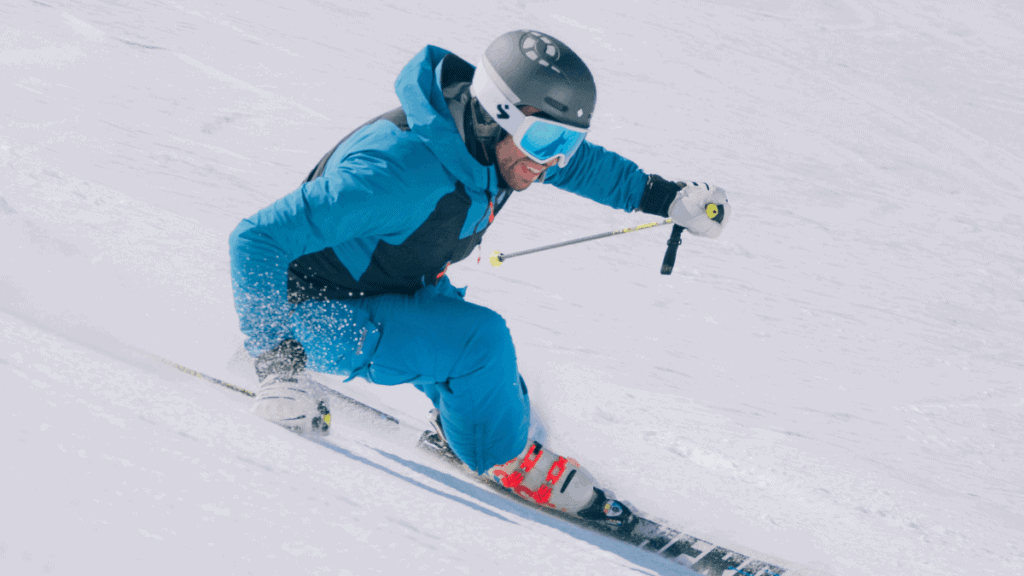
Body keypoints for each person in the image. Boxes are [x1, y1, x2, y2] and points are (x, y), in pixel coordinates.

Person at [228, 30, 730, 524]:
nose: (551, 161)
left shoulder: (496, 147)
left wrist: (664, 197)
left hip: (383, 285)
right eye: (546, 140)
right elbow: (255, 239)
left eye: (567, 141)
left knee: (497, 384)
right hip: (307, 315)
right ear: (496, 113)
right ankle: (503, 460)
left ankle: (479, 431)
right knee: (478, 345)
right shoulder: (394, 174)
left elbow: (581, 168)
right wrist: (277, 363)